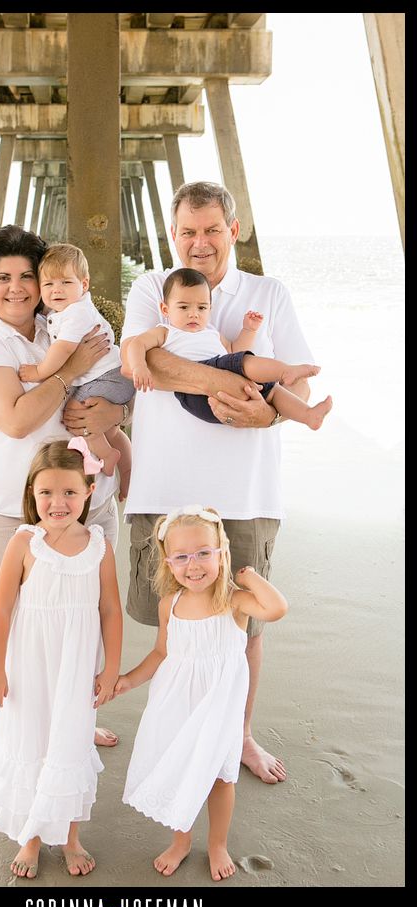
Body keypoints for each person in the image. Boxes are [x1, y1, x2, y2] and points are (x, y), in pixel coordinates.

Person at [120, 181, 315, 783]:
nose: (198, 243)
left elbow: (299, 383)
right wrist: (231, 386)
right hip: (164, 489)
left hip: (244, 490)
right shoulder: (155, 288)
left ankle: (239, 737)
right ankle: (177, 733)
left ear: (234, 230)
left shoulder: (267, 293)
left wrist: (271, 411)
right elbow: (149, 364)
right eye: (187, 232)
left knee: (244, 625)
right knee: (174, 624)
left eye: (211, 230)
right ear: (172, 234)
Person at [0, 224, 125, 747]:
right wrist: (69, 374)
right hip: (7, 508)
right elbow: (18, 419)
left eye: (28, 275)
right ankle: (26, 727)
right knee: (17, 619)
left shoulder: (64, 323)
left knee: (84, 614)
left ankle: (75, 716)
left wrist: (110, 407)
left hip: (84, 500)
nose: (19, 287)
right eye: (3, 277)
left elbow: (116, 386)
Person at [115, 507, 287, 880]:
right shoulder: (169, 605)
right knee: (184, 772)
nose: (193, 565)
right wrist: (129, 679)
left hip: (219, 707)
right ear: (169, 562)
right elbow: (162, 652)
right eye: (182, 557)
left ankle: (217, 844)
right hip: (177, 703)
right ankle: (181, 842)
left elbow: (276, 609)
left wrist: (251, 576)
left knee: (221, 778)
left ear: (221, 553)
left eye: (204, 553)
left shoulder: (234, 600)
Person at [0, 438, 122, 878]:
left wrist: (112, 667)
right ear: (32, 494)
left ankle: (71, 837)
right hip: (28, 665)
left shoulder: (98, 544)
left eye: (69, 493)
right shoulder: (25, 543)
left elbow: (110, 609)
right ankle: (31, 838)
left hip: (76, 665)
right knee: (31, 739)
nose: (57, 503)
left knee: (70, 741)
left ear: (89, 492)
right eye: (46, 493)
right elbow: (1, 607)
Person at [128, 267, 332, 431]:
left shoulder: (211, 332)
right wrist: (139, 367)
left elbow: (235, 350)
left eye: (201, 308)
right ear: (165, 310)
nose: (193, 314)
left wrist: (248, 330)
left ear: (210, 309)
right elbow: (137, 344)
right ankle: (286, 370)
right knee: (243, 363)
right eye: (183, 307)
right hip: (195, 395)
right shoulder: (165, 331)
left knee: (271, 389)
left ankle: (308, 415)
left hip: (223, 375)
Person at [18, 243, 135, 496]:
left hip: (108, 378)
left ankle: (107, 455)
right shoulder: (66, 310)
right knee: (112, 431)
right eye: (48, 285)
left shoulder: (77, 313)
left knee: (77, 418)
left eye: (65, 283)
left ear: (84, 284)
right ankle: (127, 474)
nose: (56, 290)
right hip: (112, 375)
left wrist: (39, 372)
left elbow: (62, 351)